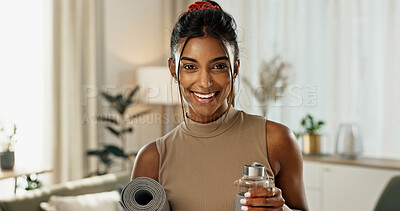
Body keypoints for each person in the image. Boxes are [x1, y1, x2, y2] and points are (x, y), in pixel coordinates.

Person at [131, 1, 308, 210]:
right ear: (173, 69)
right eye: (190, 66)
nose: (205, 82)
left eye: (218, 66)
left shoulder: (277, 140)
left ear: (235, 68)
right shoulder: (152, 158)